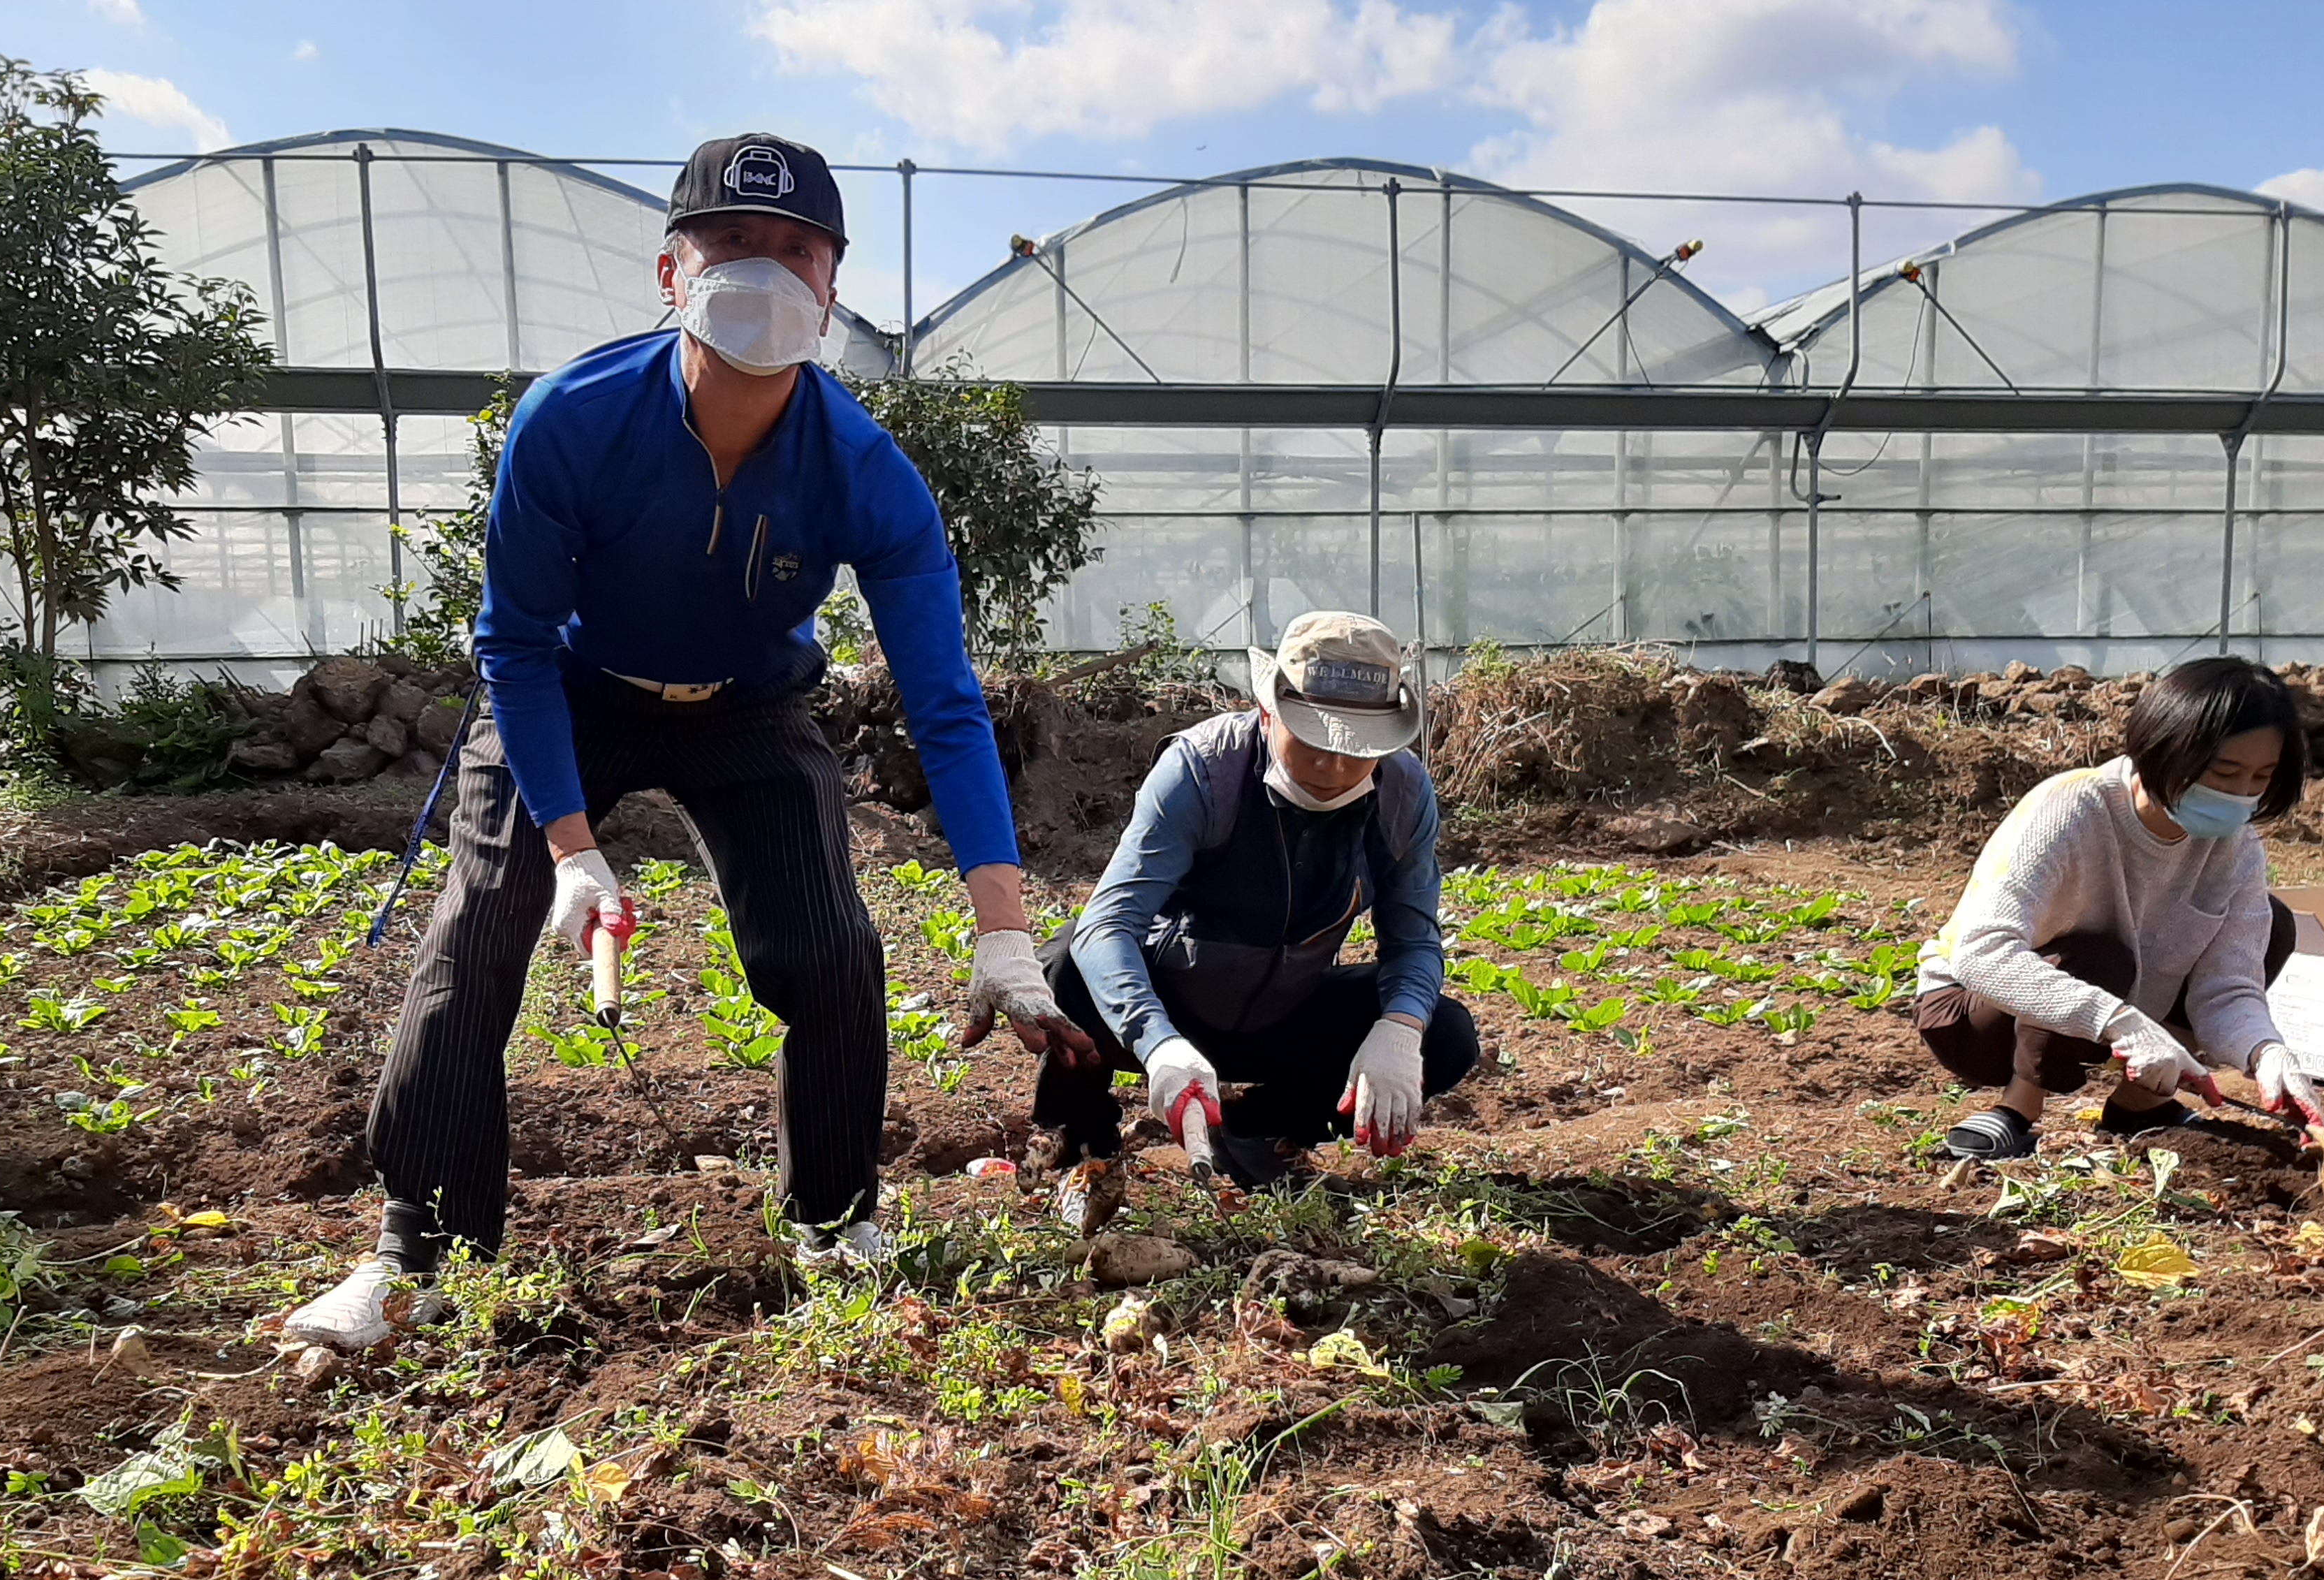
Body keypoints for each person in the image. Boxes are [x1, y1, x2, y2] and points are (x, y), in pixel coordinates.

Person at [286, 133, 1090, 1349]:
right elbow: (508, 643)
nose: (763, 273)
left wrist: (1003, 926)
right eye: (730, 245)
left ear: (832, 285)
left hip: (749, 704)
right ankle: (420, 1252)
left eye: (795, 250)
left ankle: (833, 1221)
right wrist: (566, 843)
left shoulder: (868, 473)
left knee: (828, 948)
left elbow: (944, 700)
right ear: (673, 271)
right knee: (477, 929)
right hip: (568, 687)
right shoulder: (572, 421)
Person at [1033, 610, 1480, 1186]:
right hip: (1174, 1001)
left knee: (1442, 1033)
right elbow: (1110, 923)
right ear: (1269, 711)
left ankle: (1259, 1130)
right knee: (1067, 965)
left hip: (1287, 1015)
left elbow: (1414, 939)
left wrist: (1399, 1027)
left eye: (1359, 747)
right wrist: (1157, 1040)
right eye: (1315, 739)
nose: (1336, 765)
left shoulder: (1403, 794)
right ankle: (1079, 1138)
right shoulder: (1203, 771)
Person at [1916, 654, 2324, 1162]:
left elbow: (2227, 987)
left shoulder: (2236, 849)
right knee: (2097, 955)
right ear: (2169, 748)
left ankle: (2142, 1107)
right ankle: (2016, 1111)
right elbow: (1981, 955)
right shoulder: (2071, 809)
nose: (2241, 795)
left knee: (2275, 924)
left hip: (2117, 1006)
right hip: (1977, 1017)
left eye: (2261, 776)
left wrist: (2265, 1052)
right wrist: (2120, 1022)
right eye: (2225, 772)